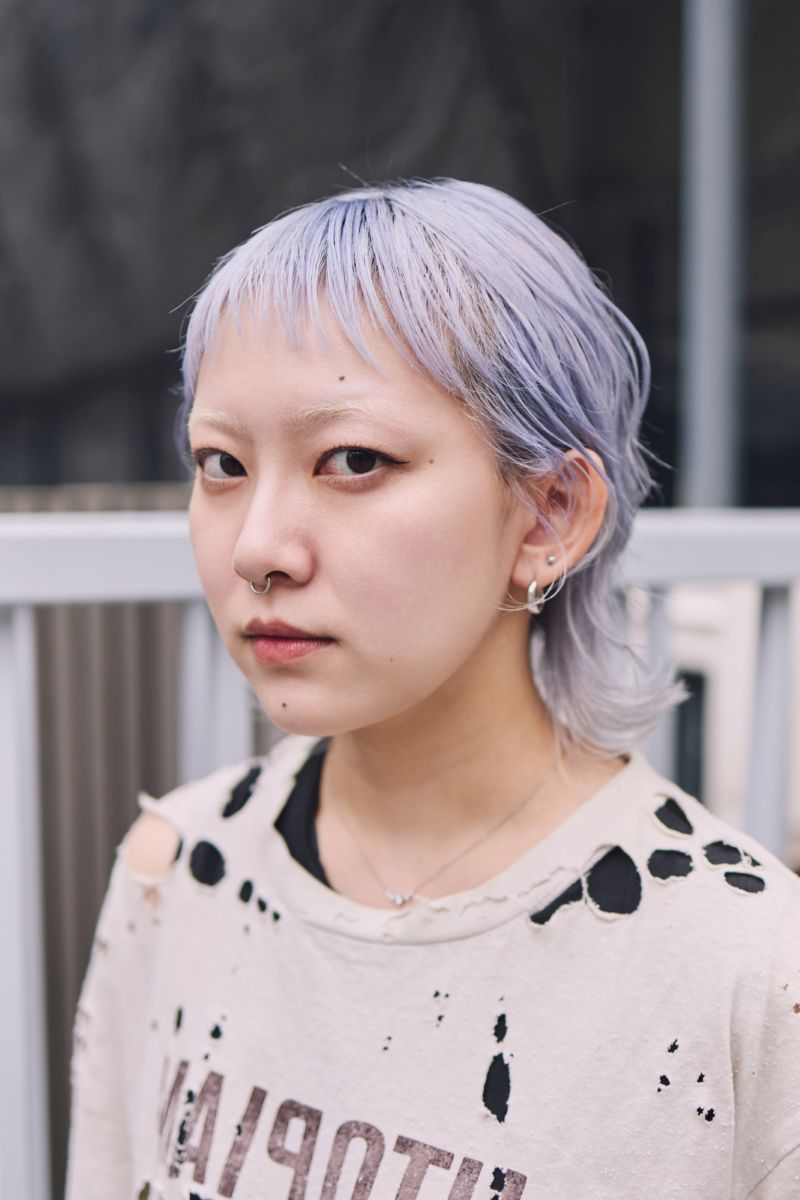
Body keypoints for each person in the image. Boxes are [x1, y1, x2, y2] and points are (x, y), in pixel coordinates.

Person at [66, 180, 800, 1200]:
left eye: (352, 460)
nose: (258, 548)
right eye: (221, 462)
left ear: (549, 513)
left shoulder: (745, 967)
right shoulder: (174, 872)